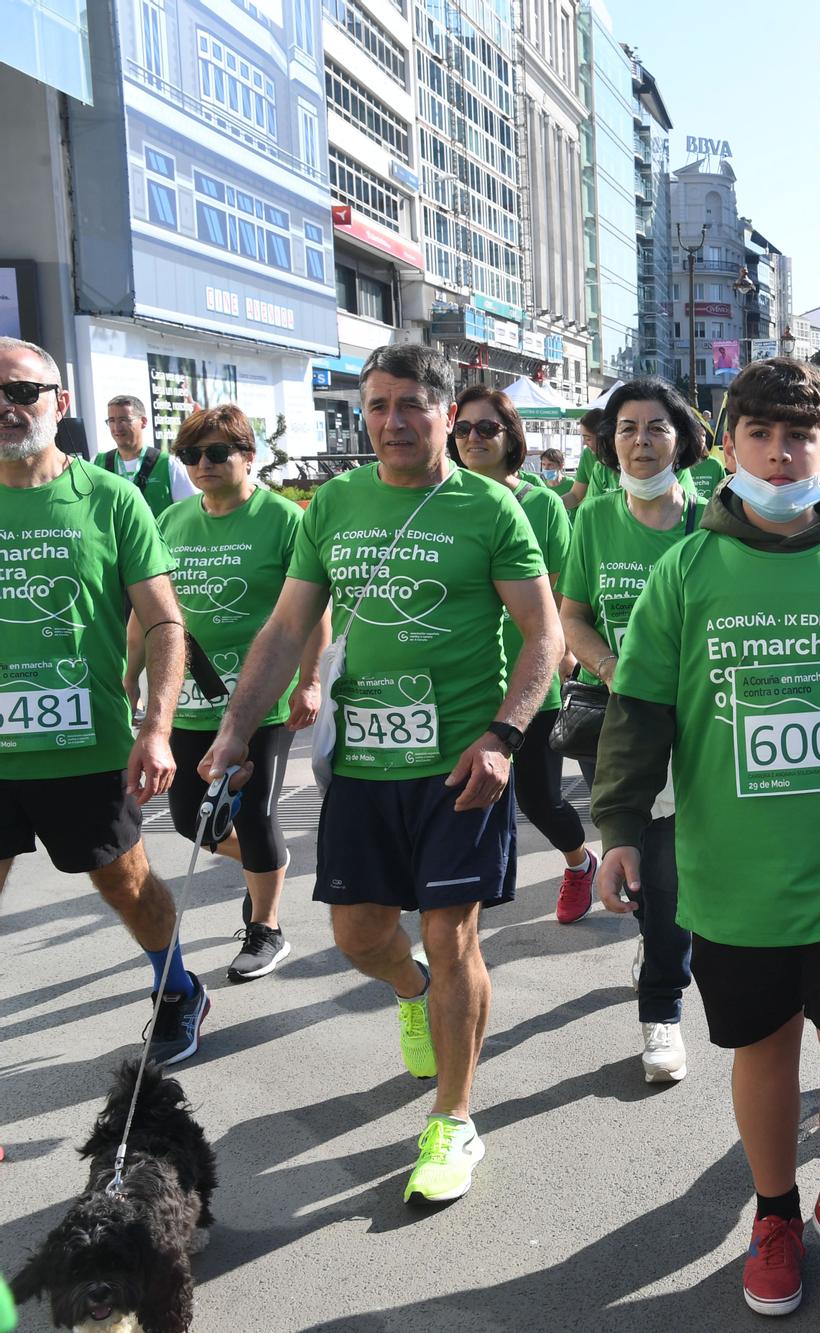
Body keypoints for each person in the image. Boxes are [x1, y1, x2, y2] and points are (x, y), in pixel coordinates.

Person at [590, 357, 820, 1319]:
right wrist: (620, 825)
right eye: (761, 433)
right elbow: (639, 710)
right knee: (765, 1051)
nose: (781, 450)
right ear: (732, 444)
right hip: (735, 872)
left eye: (800, 434)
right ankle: (774, 1213)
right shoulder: (688, 570)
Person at [203, 341, 558, 1204]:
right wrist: (235, 730)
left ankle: (454, 1119)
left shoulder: (490, 508)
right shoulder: (334, 505)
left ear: (444, 412)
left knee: (452, 930)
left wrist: (503, 738)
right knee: (361, 935)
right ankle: (415, 993)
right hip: (362, 763)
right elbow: (288, 628)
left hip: (459, 765)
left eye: (410, 405)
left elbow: (544, 634)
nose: (392, 421)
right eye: (376, 406)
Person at [0, 337, 204, 1064]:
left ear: (59, 402)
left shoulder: (110, 497)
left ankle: (177, 988)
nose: (7, 406)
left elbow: (165, 620)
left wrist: (156, 727)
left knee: (126, 884)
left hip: (86, 746)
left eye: (22, 391)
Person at [128, 404, 329, 982]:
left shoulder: (285, 519)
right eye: (191, 454)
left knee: (257, 813)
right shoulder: (172, 520)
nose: (203, 464)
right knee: (194, 820)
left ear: (249, 454)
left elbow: (313, 611)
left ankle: (266, 927)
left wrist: (310, 680)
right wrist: (129, 674)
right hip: (187, 697)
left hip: (260, 696)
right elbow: (150, 612)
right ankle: (269, 865)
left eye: (217, 453)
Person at [559, 377, 707, 1083]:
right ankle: (662, 1010)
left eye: (655, 427)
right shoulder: (594, 518)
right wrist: (610, 664)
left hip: (705, 725)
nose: (641, 441)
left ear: (680, 437)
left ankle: (680, 970)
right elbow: (573, 615)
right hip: (619, 726)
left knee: (681, 873)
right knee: (649, 871)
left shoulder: (713, 517)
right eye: (626, 428)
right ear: (609, 441)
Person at [450, 385, 598, 921]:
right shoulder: (443, 502)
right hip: (462, 680)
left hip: (531, 678)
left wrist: (561, 654)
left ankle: (579, 862)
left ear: (512, 435)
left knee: (539, 799)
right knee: (471, 795)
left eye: (486, 428)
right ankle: (462, 905)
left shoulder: (542, 504)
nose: (472, 438)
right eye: (463, 428)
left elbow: (562, 592)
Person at [95, 394, 195, 517]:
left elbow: (189, 512)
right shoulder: (97, 463)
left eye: (124, 420)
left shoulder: (168, 464)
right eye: (111, 421)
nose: (117, 427)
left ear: (143, 422)